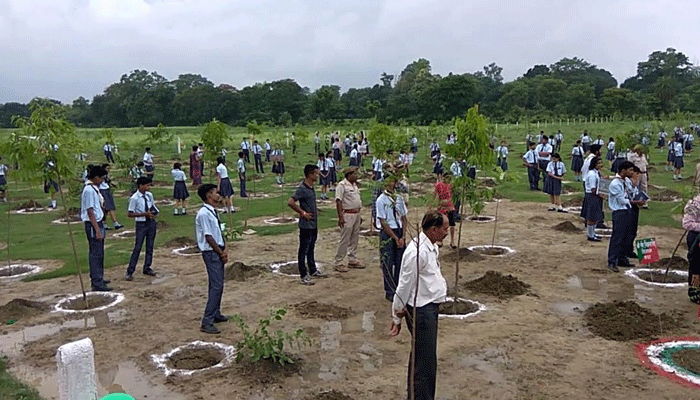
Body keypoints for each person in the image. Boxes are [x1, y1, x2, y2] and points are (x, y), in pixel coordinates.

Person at [390, 211, 449, 400]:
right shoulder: (417, 252)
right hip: (421, 313)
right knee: (423, 364)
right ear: (433, 229)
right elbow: (404, 284)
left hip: (429, 309)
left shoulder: (431, 245)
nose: (447, 232)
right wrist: (396, 316)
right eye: (445, 228)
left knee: (425, 360)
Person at [195, 183, 229, 334]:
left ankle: (215, 313)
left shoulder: (213, 211)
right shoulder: (204, 213)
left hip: (217, 250)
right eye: (215, 192)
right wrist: (220, 252)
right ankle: (207, 321)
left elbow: (218, 232)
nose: (218, 194)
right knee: (216, 285)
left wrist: (224, 248)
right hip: (211, 252)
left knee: (218, 284)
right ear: (209, 195)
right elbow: (208, 236)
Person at [287, 164, 325, 285]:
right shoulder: (302, 189)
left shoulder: (311, 188)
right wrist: (303, 213)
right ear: (310, 174)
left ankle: (313, 270)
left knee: (311, 248)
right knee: (303, 249)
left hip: (313, 224)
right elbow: (291, 202)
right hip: (306, 225)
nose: (318, 176)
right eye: (316, 174)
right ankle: (303, 275)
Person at [607, 161, 644, 272]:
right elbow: (622, 200)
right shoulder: (615, 183)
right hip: (619, 212)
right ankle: (612, 261)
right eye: (631, 170)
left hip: (628, 210)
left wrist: (635, 185)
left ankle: (622, 259)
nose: (632, 172)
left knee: (626, 236)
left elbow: (631, 192)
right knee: (617, 237)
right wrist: (636, 202)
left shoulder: (626, 181)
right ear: (624, 170)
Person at [377, 172, 408, 302]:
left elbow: (404, 217)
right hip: (388, 233)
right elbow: (383, 221)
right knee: (388, 263)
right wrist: (395, 238)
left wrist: (403, 236)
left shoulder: (399, 198)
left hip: (399, 230)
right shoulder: (381, 200)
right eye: (392, 181)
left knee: (400, 262)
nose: (394, 184)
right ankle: (389, 290)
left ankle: (398, 288)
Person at [81, 165, 111, 291]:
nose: (103, 180)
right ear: (95, 177)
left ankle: (99, 277)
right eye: (101, 178)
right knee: (96, 253)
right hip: (93, 224)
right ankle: (96, 282)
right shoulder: (88, 190)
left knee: (100, 252)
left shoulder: (94, 188)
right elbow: (90, 211)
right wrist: (97, 230)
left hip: (98, 221)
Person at [125, 177, 159, 281]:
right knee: (138, 247)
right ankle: (130, 271)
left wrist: (154, 213)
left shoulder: (149, 195)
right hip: (141, 223)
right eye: (147, 185)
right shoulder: (134, 198)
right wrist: (144, 214)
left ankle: (147, 267)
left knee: (150, 245)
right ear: (141, 186)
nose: (149, 187)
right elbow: (130, 214)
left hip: (150, 222)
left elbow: (152, 206)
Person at [334, 166, 364, 272]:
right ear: (349, 175)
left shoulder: (354, 186)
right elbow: (339, 201)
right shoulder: (342, 185)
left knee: (354, 238)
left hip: (356, 214)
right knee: (344, 238)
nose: (356, 176)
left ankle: (352, 259)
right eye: (354, 174)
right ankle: (339, 261)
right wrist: (340, 217)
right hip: (347, 214)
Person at [583, 157, 605, 242]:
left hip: (595, 196)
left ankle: (593, 233)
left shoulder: (596, 173)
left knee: (595, 217)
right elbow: (593, 189)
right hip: (592, 197)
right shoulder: (592, 174)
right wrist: (600, 195)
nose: (601, 165)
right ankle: (590, 235)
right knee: (591, 216)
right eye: (598, 163)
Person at [434, 173, 456, 248]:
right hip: (442, 207)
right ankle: (440, 240)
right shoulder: (438, 185)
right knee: (441, 224)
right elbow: (435, 195)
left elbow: (452, 196)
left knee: (452, 224)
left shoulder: (451, 186)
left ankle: (452, 241)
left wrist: (450, 202)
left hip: (450, 207)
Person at [99, 164, 124, 230]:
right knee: (108, 207)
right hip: (102, 190)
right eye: (107, 168)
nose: (109, 170)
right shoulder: (101, 176)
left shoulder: (106, 175)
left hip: (107, 189)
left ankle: (104, 223)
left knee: (108, 208)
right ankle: (115, 223)